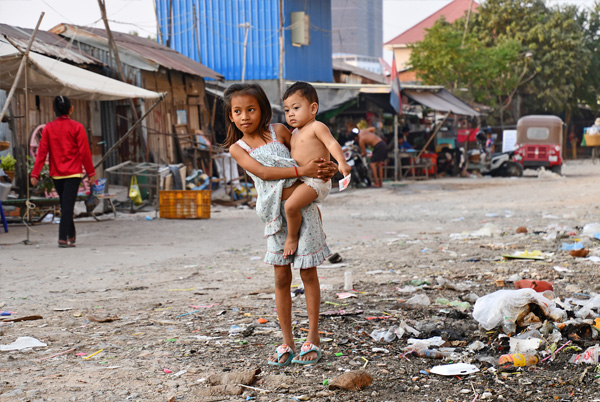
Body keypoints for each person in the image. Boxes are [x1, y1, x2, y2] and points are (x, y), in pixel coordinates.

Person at [223, 83, 336, 366]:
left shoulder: (280, 131)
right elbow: (263, 172)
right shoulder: (238, 148)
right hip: (275, 218)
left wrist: (325, 168)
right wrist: (302, 171)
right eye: (238, 111)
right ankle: (287, 340)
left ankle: (313, 336)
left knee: (308, 275)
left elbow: (311, 151)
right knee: (281, 279)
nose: (245, 116)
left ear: (262, 109)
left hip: (303, 211)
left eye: (251, 109)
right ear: (231, 117)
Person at [282, 82, 351, 258]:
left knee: (290, 206)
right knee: (309, 208)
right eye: (286, 110)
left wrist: (341, 163)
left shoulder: (317, 127)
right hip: (303, 179)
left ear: (313, 108)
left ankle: (291, 237)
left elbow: (331, 143)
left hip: (316, 180)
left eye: (296, 108)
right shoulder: (295, 133)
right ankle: (319, 233)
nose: (291, 114)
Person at [30, 96, 96, 248]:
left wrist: (35, 173)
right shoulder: (77, 127)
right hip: (73, 174)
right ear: (71, 109)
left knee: (66, 205)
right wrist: (91, 173)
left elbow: (41, 153)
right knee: (67, 205)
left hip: (57, 174)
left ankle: (69, 235)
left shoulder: (48, 128)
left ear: (54, 110)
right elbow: (85, 152)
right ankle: (64, 237)